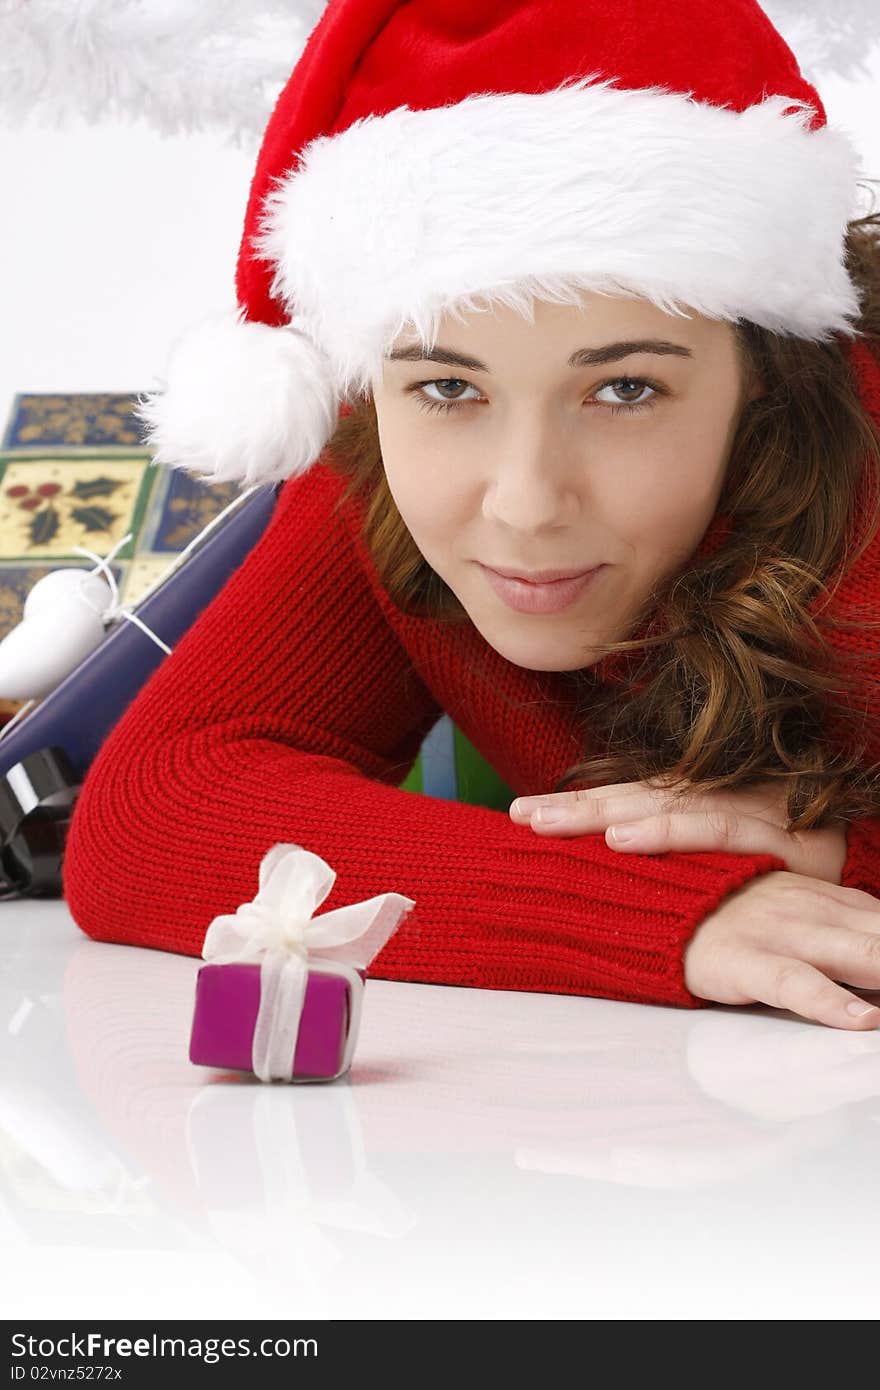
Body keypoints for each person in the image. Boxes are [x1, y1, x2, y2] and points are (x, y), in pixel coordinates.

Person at [63, 0, 880, 1031]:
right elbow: (156, 813)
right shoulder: (375, 468)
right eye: (449, 389)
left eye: (624, 389)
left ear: (764, 374)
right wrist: (667, 910)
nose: (527, 504)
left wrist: (846, 849)